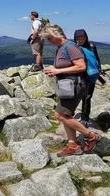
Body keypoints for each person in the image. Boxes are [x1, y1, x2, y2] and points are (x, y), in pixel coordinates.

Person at [42, 24, 99, 157]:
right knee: (66, 115)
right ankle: (72, 145)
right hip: (68, 85)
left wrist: (58, 70)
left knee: (60, 115)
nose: (49, 42)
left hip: (76, 84)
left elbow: (81, 66)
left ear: (55, 35)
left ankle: (91, 136)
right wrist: (55, 71)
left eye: (49, 38)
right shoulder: (61, 47)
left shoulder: (70, 46)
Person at [74, 29, 102, 127]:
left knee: (87, 97)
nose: (81, 40)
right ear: (75, 38)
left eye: (83, 38)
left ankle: (85, 119)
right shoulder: (75, 48)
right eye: (78, 38)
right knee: (78, 96)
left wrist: (99, 70)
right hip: (80, 75)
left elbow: (97, 59)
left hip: (91, 76)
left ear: (86, 37)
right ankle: (70, 114)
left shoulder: (92, 46)